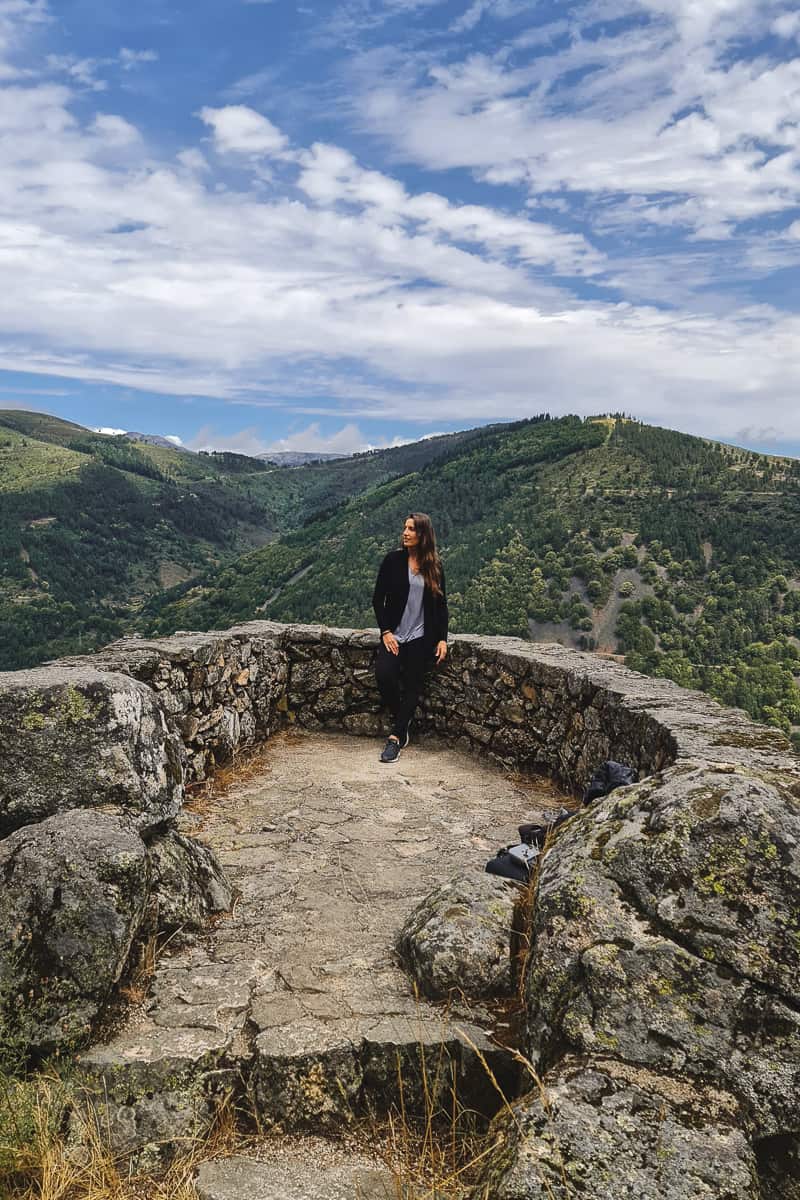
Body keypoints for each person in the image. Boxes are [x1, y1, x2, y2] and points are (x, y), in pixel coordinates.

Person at [372, 512, 448, 763]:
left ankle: (395, 738)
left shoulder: (434, 567)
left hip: (420, 638)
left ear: (423, 534)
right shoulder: (392, 561)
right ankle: (403, 722)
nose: (405, 532)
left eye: (411, 529)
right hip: (394, 635)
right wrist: (385, 632)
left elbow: (441, 606)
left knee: (414, 685)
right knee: (384, 676)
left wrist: (442, 639)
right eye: (405, 527)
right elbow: (377, 599)